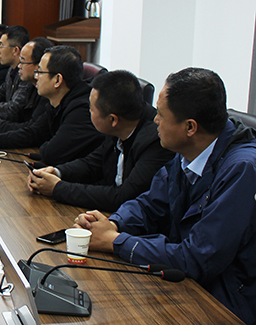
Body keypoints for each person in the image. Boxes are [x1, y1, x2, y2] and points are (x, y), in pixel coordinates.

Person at [75, 68, 256, 324]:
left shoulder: (242, 169)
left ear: (190, 127)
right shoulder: (189, 152)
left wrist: (116, 241)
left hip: (224, 304)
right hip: (187, 287)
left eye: (160, 114)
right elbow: (150, 204)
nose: (155, 120)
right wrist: (112, 224)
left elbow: (198, 257)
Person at [27, 70, 175, 211]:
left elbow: (124, 197)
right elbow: (94, 163)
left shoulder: (156, 141)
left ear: (113, 120)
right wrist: (57, 172)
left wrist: (57, 188)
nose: (88, 111)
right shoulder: (121, 124)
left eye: (91, 108)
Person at [0, 46, 104, 166]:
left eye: (40, 72)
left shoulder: (82, 109)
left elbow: (51, 153)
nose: (36, 76)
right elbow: (34, 132)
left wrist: (44, 143)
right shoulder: (57, 100)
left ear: (57, 80)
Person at [0, 37, 52, 133]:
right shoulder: (12, 72)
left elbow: (31, 129)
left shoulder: (41, 91)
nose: (19, 66)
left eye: (23, 62)